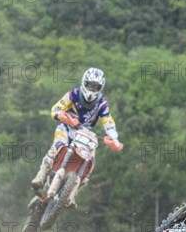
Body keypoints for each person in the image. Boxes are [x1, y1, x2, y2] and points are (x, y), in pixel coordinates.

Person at [31, 67, 124, 207]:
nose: (92, 89)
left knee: (91, 160)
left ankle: (72, 195)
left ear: (101, 87)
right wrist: (60, 115)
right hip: (67, 127)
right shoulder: (74, 94)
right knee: (57, 145)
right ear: (84, 82)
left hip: (85, 134)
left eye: (96, 87)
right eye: (90, 85)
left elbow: (108, 121)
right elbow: (56, 108)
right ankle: (40, 176)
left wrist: (114, 139)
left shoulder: (101, 103)